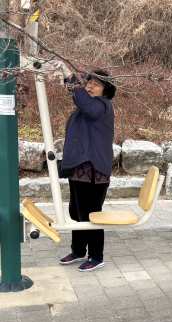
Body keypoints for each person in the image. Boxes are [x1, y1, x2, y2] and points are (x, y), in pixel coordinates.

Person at [58, 70, 117, 272]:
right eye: (89, 82)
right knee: (76, 212)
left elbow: (85, 104)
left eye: (96, 84)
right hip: (80, 168)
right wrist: (68, 79)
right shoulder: (87, 107)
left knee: (91, 215)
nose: (90, 86)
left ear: (105, 90)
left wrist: (72, 80)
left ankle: (96, 256)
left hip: (93, 170)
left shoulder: (102, 106)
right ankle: (78, 250)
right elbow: (81, 102)